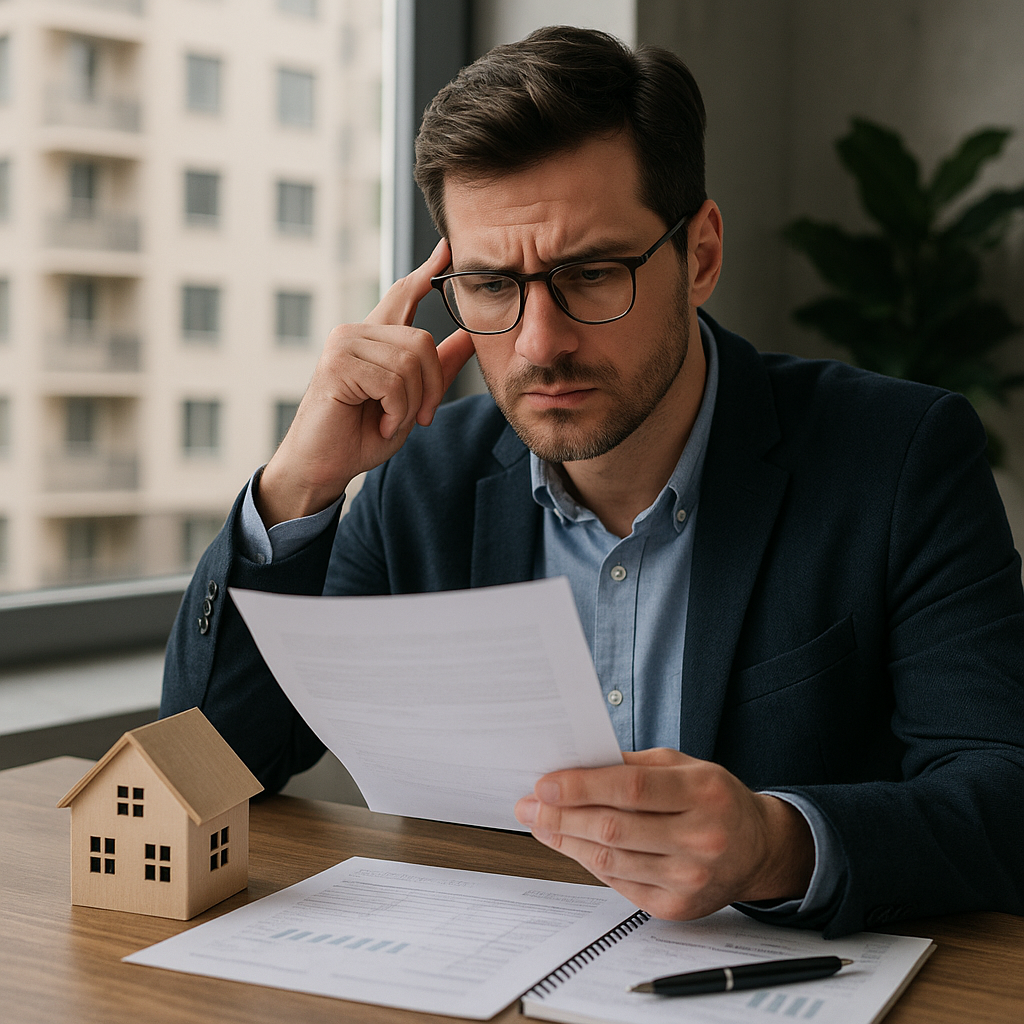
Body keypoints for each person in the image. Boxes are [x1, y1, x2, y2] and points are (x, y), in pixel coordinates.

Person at [161, 26, 1024, 938]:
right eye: (493, 284)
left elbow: (1004, 796)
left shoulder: (899, 457)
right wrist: (298, 485)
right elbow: (203, 772)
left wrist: (778, 844)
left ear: (701, 254)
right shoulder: (421, 479)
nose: (540, 344)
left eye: (591, 272)